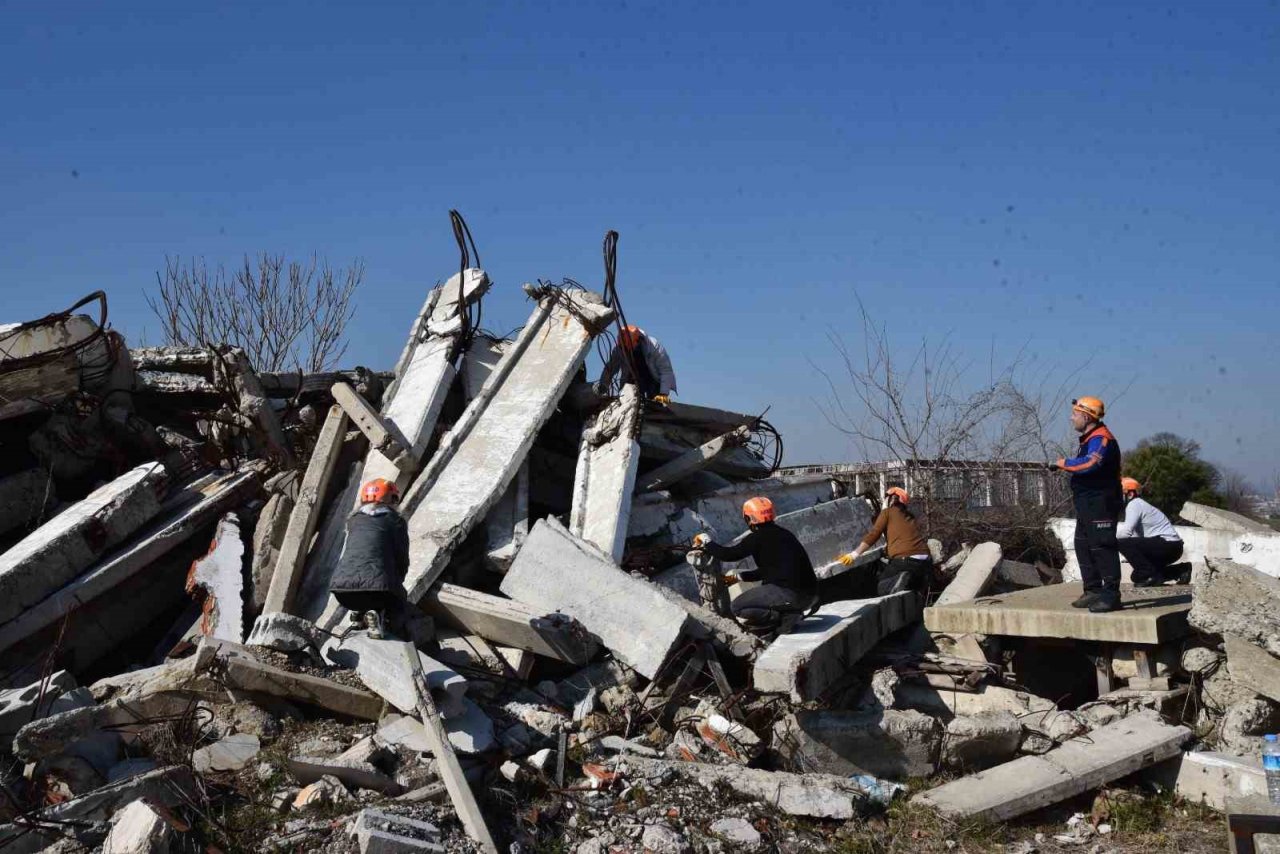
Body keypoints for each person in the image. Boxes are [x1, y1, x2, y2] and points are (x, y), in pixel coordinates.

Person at [691, 496, 818, 636]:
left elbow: (728, 555)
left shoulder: (756, 538)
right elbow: (769, 570)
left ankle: (785, 617)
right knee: (766, 586)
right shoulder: (785, 534)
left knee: (737, 606)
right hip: (811, 596)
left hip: (792, 596)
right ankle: (788, 613)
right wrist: (738, 577)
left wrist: (706, 541)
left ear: (749, 519)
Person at [1050, 396, 1124, 613]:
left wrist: (1063, 463)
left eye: (1074, 414)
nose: (1071, 418)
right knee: (1082, 544)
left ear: (1086, 415)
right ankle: (1092, 590)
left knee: (1103, 545)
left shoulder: (1102, 439)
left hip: (1101, 501)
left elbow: (1091, 463)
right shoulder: (1089, 437)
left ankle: (1111, 595)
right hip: (1087, 502)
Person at [329, 478, 411, 639]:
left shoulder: (354, 521)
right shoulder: (396, 522)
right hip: (376, 594)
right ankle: (377, 619)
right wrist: (398, 583)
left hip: (341, 592)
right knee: (397, 597)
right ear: (392, 499)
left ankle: (358, 616)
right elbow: (401, 558)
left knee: (365, 582)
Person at [838, 487, 933, 595]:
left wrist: (853, 555)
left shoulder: (887, 512)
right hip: (925, 562)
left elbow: (874, 534)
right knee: (911, 592)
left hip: (906, 561)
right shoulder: (909, 516)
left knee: (880, 587)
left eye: (885, 498)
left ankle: (901, 578)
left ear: (891, 499)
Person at [1117, 477, 1188, 587]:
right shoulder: (1139, 505)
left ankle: (1150, 575)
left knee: (1121, 542)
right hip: (1173, 547)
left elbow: (1126, 534)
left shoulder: (1134, 504)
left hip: (1167, 545)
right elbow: (1136, 537)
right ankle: (1180, 570)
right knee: (1136, 577)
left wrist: (1107, 537)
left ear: (1130, 494)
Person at [597, 325, 677, 403]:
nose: (627, 349)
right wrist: (602, 387)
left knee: (655, 406)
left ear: (637, 340)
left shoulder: (653, 347)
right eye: (624, 346)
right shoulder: (619, 349)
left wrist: (663, 393)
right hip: (629, 383)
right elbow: (610, 369)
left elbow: (666, 370)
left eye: (629, 346)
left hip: (651, 381)